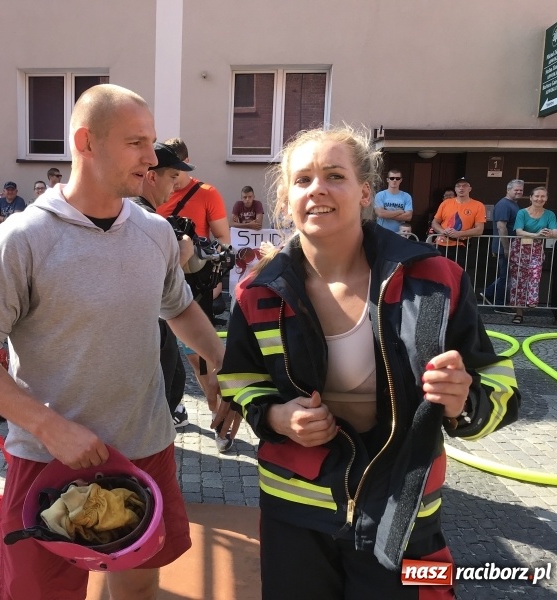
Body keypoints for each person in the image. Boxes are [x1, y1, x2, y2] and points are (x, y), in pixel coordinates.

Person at [0, 84, 226, 600]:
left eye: (152, 142)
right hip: (49, 460)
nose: (152, 158)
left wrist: (223, 368)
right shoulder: (22, 238)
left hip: (145, 446)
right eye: (136, 143)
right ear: (86, 142)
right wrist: (48, 426)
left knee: (137, 589)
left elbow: (180, 308)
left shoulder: (156, 233)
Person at [216, 126, 520, 599]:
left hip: (404, 516)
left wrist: (463, 401)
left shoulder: (437, 280)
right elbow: (239, 380)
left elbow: (500, 388)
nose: (317, 188)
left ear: (364, 193)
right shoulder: (256, 292)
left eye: (334, 175)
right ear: (287, 200)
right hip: (295, 512)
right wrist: (276, 416)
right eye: (303, 180)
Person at [155, 138, 231, 429]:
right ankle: (175, 405)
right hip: (159, 284)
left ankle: (217, 415)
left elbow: (223, 240)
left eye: (178, 172)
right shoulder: (150, 195)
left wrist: (215, 277)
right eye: (170, 173)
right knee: (170, 353)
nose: (174, 180)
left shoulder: (207, 193)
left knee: (199, 356)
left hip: (195, 285)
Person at [131, 142, 197, 429]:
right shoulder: (144, 221)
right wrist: (182, 254)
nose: (176, 185)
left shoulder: (136, 215)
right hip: (147, 332)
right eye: (172, 177)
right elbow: (148, 284)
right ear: (151, 176)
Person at [507, 186, 557, 324]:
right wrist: (536, 234)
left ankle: (531, 302)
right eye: (536, 196)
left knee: (534, 276)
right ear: (530, 197)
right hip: (519, 248)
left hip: (536, 249)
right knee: (518, 281)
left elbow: (555, 232)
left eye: (543, 196)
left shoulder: (549, 214)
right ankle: (518, 313)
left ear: (546, 198)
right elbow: (519, 231)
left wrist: (549, 233)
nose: (539, 199)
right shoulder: (522, 212)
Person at [481, 179, 523, 309]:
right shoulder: (504, 204)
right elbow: (501, 227)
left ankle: (489, 293)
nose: (519, 192)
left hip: (510, 245)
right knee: (505, 276)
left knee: (507, 275)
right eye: (516, 190)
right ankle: (498, 303)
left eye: (521, 190)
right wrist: (506, 247)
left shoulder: (513, 204)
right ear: (508, 190)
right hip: (504, 246)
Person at [430, 177, 486, 270]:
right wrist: (443, 231)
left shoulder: (478, 205)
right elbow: (435, 222)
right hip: (441, 244)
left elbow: (479, 230)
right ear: (455, 189)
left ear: (470, 189)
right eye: (458, 186)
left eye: (464, 186)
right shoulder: (446, 203)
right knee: (439, 272)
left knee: (457, 273)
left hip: (461, 245)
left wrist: (459, 234)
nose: (461, 188)